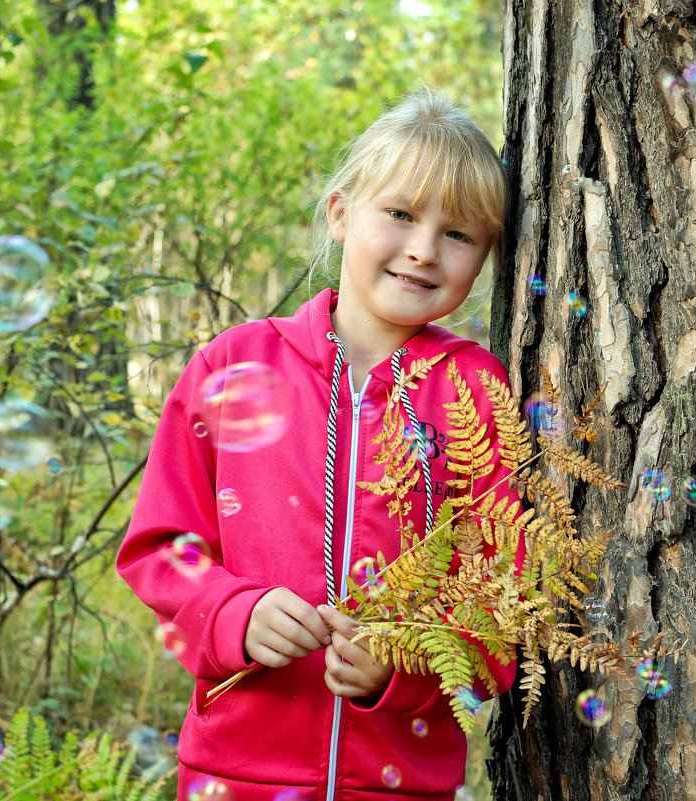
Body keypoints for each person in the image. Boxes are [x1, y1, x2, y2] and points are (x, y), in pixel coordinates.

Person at [117, 86, 522, 801]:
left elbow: (501, 590)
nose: (423, 250)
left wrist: (401, 665)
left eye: (458, 234)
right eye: (399, 214)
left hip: (399, 782)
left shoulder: (472, 391)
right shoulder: (233, 366)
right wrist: (232, 614)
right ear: (340, 213)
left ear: (486, 256)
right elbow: (159, 548)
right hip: (236, 771)